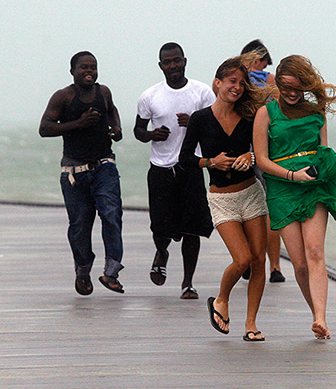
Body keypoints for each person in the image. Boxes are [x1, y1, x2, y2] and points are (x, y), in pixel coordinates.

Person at [253, 55, 336, 339]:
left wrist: (320, 175)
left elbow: (324, 150)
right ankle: (315, 310)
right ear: (277, 82)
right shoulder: (266, 113)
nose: (290, 93)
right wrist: (292, 175)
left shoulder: (317, 112)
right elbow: (261, 160)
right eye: (286, 87)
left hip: (313, 186)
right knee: (299, 263)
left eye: (297, 88)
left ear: (305, 86)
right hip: (282, 189)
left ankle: (320, 318)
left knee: (315, 252)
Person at [180, 56, 271, 341]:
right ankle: (221, 300)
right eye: (232, 81)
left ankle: (251, 324)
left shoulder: (249, 116)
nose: (238, 87)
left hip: (251, 194)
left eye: (242, 83)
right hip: (222, 200)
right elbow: (184, 159)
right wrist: (210, 162)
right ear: (218, 83)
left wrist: (251, 156)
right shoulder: (200, 119)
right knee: (241, 259)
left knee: (259, 261)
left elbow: (264, 151)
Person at [39, 51, 126, 295]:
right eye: (83, 67)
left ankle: (111, 271)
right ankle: (83, 268)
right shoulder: (63, 97)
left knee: (111, 213)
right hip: (74, 172)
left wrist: (116, 128)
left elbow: (112, 111)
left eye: (93, 67)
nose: (89, 71)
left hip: (104, 166)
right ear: (72, 71)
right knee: (79, 226)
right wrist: (79, 123)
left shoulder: (103, 92)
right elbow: (44, 128)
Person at [134, 42, 216, 299]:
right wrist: (151, 135)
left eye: (176, 61)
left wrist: (194, 124)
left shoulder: (202, 92)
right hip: (160, 168)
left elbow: (216, 129)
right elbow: (138, 131)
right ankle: (162, 251)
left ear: (185, 61)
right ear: (160, 66)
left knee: (192, 228)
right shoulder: (150, 96)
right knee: (160, 227)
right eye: (167, 62)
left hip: (190, 167)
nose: (172, 66)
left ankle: (188, 283)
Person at [240, 39, 285, 283]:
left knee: (247, 207)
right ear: (259, 59)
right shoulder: (270, 82)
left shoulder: (237, 80)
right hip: (267, 147)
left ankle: (250, 259)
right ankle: (274, 267)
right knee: (269, 209)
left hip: (244, 146)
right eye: (264, 62)